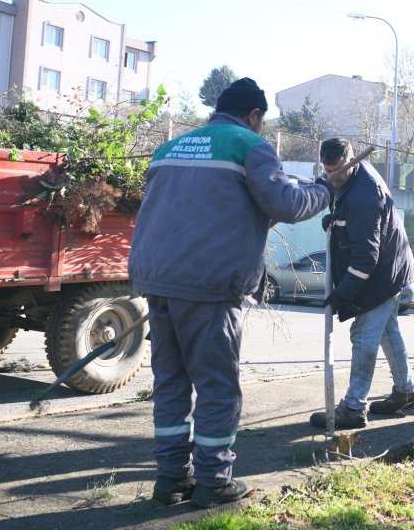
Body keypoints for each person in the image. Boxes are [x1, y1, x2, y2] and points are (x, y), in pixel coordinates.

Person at [129, 78, 331, 508]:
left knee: (170, 384)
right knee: (218, 387)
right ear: (254, 116)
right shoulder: (249, 145)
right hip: (209, 286)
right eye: (261, 120)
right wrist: (323, 191)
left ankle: (169, 480)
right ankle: (214, 481)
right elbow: (287, 205)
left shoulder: (172, 148)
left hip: (159, 280)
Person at [308, 137, 414, 430]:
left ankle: (354, 408)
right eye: (327, 169)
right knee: (388, 332)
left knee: (363, 335)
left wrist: (340, 295)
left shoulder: (364, 198)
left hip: (383, 273)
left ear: (351, 160)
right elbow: (342, 195)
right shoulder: (351, 176)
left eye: (337, 170)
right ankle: (405, 392)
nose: (333, 175)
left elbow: (365, 260)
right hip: (391, 263)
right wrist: (337, 217)